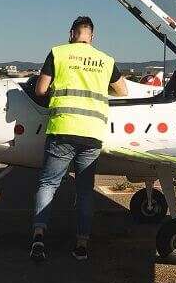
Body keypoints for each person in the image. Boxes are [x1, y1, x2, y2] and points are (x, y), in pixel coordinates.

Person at [30, 15, 128, 262]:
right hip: (93, 133)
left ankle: (39, 236)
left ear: (71, 33)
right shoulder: (106, 60)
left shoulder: (58, 53)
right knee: (85, 191)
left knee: (48, 184)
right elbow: (122, 91)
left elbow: (40, 90)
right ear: (92, 36)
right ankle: (82, 244)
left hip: (63, 128)